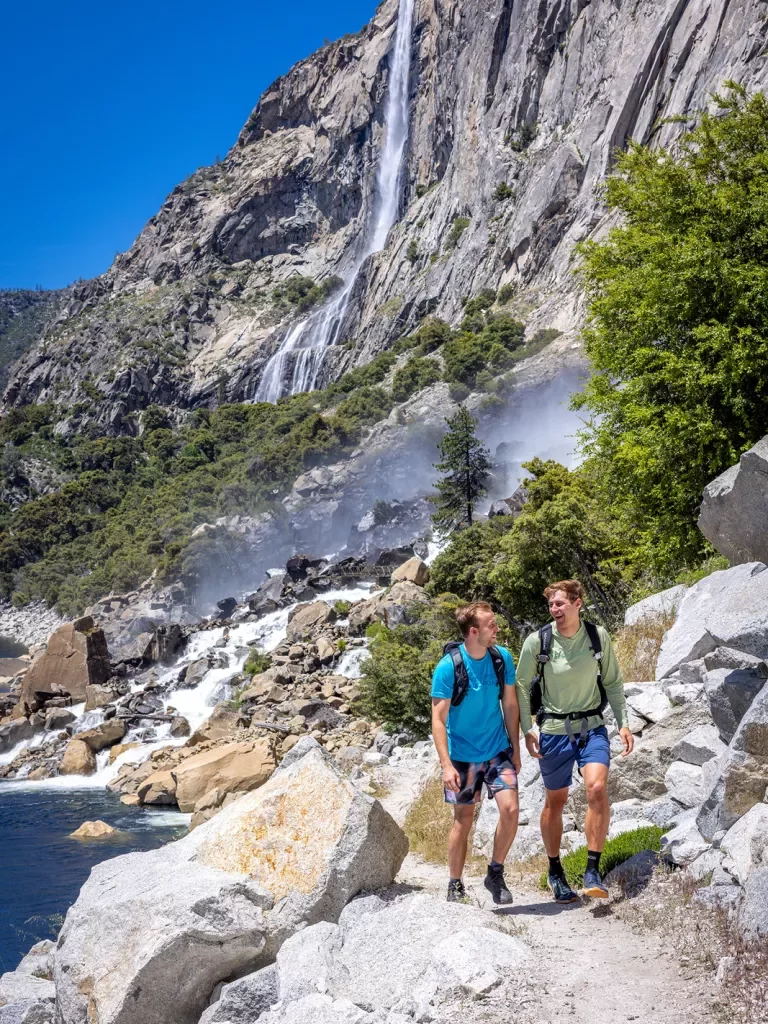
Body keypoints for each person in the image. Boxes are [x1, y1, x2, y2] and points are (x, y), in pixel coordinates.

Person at [516, 580, 633, 903]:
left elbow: (612, 680)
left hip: (593, 727)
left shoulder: (598, 637)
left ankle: (592, 870)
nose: (554, 609)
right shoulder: (536, 642)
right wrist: (528, 728)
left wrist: (623, 723)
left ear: (578, 603)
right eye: (551, 604)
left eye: (560, 603)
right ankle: (555, 871)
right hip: (553, 732)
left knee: (597, 788)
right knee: (556, 802)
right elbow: (522, 685)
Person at [431, 600, 521, 905]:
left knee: (510, 810)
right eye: (491, 625)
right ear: (473, 631)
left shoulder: (501, 657)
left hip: (497, 749)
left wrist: (516, 748)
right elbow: (438, 719)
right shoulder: (448, 667)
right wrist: (446, 765)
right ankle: (455, 883)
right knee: (464, 818)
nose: (497, 629)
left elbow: (509, 704)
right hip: (462, 756)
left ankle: (495, 873)